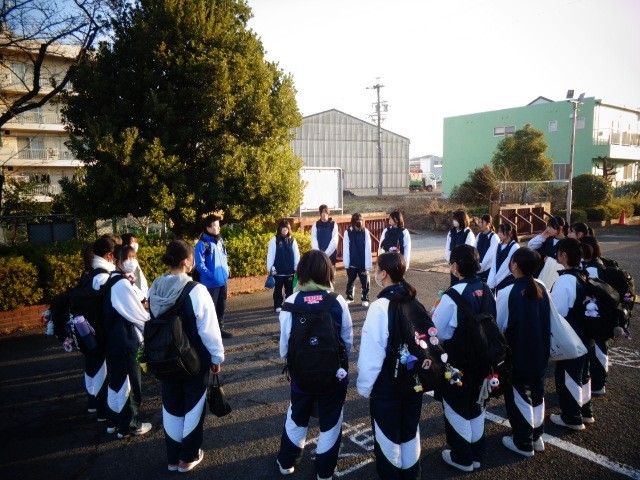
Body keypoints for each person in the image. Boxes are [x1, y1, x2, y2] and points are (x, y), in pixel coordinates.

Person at [148, 240, 225, 473]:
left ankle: (173, 459)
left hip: (164, 358)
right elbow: (209, 330)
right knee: (193, 406)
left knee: (171, 406)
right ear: (186, 262)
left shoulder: (155, 288)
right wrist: (216, 358)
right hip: (193, 361)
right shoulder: (196, 290)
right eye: (192, 259)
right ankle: (187, 458)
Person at [276, 250, 353, 480]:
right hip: (333, 374)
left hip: (301, 375)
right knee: (331, 420)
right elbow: (347, 339)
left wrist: (289, 361)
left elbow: (284, 342)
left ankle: (287, 462)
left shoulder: (291, 301)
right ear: (327, 272)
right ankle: (324, 471)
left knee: (297, 414)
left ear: (301, 272)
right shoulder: (337, 301)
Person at [357, 252, 424, 479]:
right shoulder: (413, 300)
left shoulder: (380, 306)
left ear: (384, 274)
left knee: (388, 436)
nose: (375, 273)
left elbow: (372, 355)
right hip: (414, 380)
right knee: (409, 430)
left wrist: (365, 387)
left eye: (377, 269)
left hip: (388, 385)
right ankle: (412, 474)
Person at [432, 244, 496, 472]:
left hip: (459, 362)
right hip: (485, 358)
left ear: (456, 266)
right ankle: (476, 453)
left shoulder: (452, 295)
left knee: (456, 407)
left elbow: (438, 332)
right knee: (478, 403)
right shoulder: (486, 289)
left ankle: (462, 457)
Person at [497, 248, 552, 457]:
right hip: (541, 350)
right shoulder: (541, 286)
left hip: (518, 353)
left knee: (520, 396)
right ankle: (537, 437)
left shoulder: (508, 292)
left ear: (515, 265)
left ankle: (523, 442)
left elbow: (499, 325)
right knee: (537, 394)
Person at [103, 244, 151, 438]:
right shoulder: (121, 284)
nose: (131, 262)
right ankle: (131, 425)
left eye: (133, 257)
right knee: (130, 384)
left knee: (116, 382)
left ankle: (114, 422)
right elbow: (137, 314)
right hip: (125, 340)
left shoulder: (111, 280)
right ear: (116, 261)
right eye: (126, 258)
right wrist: (151, 327)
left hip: (113, 340)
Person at [549, 238, 593, 431]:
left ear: (564, 255)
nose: (556, 255)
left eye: (558, 251)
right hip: (587, 334)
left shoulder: (565, 280)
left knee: (567, 377)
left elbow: (557, 311)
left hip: (572, 337)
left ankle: (572, 417)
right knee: (583, 375)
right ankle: (586, 411)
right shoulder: (583, 274)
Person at [83, 236, 117, 423]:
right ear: (110, 255)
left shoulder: (89, 273)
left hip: (89, 332)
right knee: (102, 373)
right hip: (102, 333)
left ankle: (93, 404)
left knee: (92, 368)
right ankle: (104, 412)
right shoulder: (104, 277)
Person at [579, 236, 608, 396]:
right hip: (597, 315)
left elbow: (592, 293)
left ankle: (598, 384)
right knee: (597, 351)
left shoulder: (593, 268)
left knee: (598, 351)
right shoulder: (593, 264)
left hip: (597, 317)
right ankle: (597, 383)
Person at [195, 215, 232, 338]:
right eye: (216, 226)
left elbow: (224, 258)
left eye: (218, 225)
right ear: (208, 228)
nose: (218, 228)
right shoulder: (202, 244)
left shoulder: (220, 241)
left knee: (221, 307)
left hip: (222, 281)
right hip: (210, 284)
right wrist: (211, 276)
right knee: (210, 310)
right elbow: (199, 265)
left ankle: (219, 330)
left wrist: (226, 272)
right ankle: (209, 333)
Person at [267, 219, 300, 313]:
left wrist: (296, 267)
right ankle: (277, 305)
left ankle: (288, 305)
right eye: (283, 227)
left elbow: (296, 255)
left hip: (289, 271)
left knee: (289, 289)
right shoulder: (274, 240)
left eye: (287, 228)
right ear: (280, 228)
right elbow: (270, 255)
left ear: (289, 229)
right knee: (278, 289)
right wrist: (270, 267)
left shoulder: (292, 240)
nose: (285, 229)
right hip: (278, 271)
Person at [343, 213, 372, 307]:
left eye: (360, 221)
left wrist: (368, 265)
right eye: (357, 221)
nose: (359, 223)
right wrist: (346, 263)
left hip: (362, 262)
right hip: (352, 262)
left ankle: (365, 297)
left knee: (365, 281)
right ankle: (349, 296)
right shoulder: (348, 232)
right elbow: (346, 248)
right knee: (350, 280)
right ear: (353, 222)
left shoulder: (365, 232)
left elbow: (368, 248)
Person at [445, 210, 475, 286]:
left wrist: (460, 264)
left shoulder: (468, 233)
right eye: (454, 219)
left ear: (462, 220)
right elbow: (448, 248)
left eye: (456, 219)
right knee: (453, 286)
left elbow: (468, 251)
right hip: (453, 266)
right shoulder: (451, 232)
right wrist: (450, 261)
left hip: (463, 268)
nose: (454, 221)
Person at [487, 223, 519, 295]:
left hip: (507, 280)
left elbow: (507, 267)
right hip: (497, 280)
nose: (499, 234)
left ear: (509, 233)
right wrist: (491, 280)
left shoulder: (515, 246)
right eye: (498, 231)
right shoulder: (499, 245)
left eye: (501, 232)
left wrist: (495, 281)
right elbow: (494, 263)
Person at [474, 214, 499, 282]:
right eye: (479, 222)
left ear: (489, 224)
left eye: (482, 222)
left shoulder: (494, 237)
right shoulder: (479, 235)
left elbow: (490, 256)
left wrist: (480, 267)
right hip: (477, 267)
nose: (480, 224)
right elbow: (473, 250)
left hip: (488, 269)